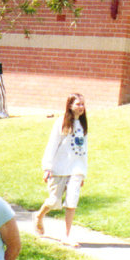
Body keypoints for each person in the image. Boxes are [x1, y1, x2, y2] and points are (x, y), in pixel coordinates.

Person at [34, 92, 88, 243]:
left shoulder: (83, 125)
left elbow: (84, 150)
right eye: (78, 104)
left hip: (76, 169)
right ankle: (39, 216)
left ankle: (67, 235)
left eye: (83, 104)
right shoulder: (61, 122)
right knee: (54, 202)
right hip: (59, 168)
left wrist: (82, 173)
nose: (81, 107)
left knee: (72, 201)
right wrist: (47, 167)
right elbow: (52, 145)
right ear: (70, 106)